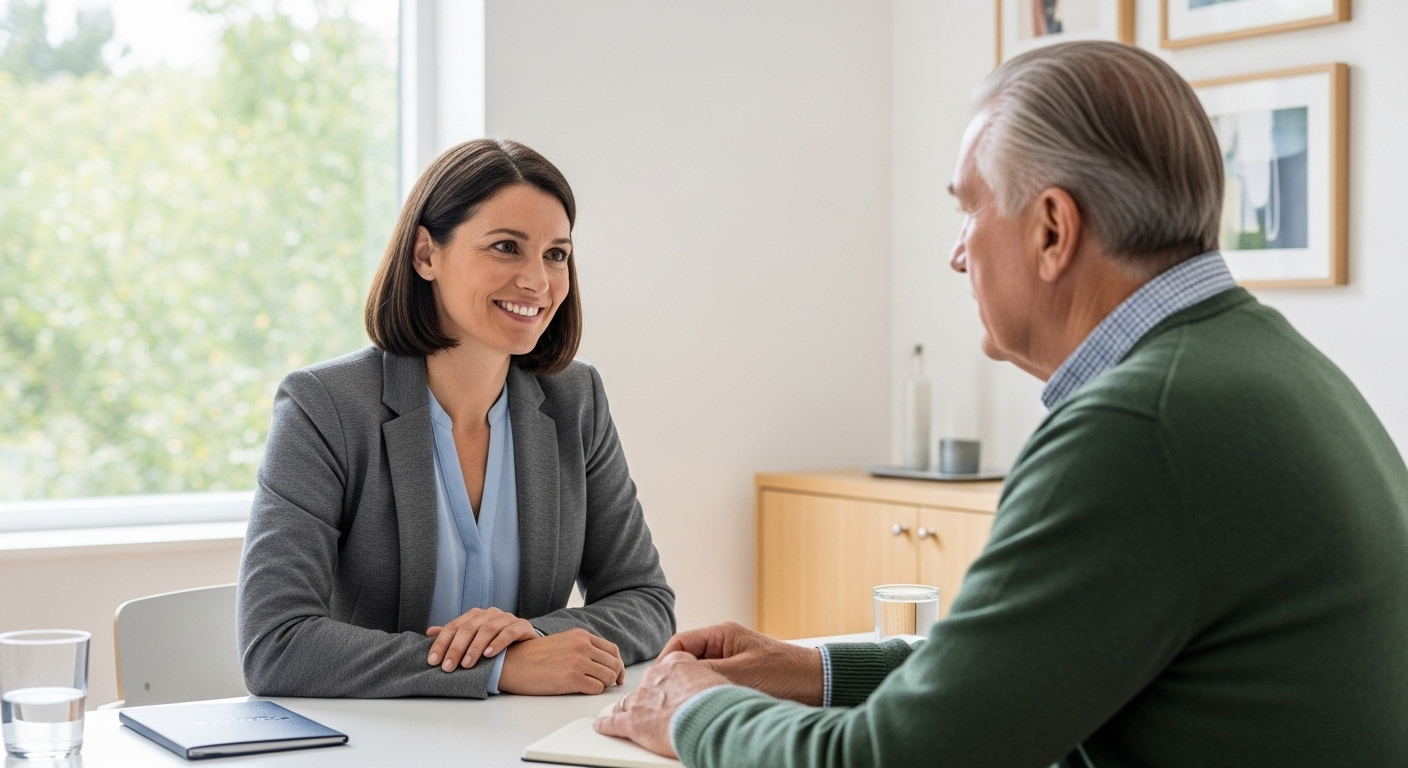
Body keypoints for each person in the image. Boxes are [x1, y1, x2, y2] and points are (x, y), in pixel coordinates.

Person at [597, 41, 1408, 766]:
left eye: (967, 209)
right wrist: (813, 669)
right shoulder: (1268, 368)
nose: (956, 254)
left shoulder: (1137, 427)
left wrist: (695, 710)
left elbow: (898, 761)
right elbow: (1038, 670)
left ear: (1053, 229)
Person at [236, 139, 675, 699]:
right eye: (505, 247)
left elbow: (646, 600)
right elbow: (276, 646)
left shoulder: (575, 399)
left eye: (556, 254)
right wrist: (494, 668)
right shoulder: (324, 406)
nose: (538, 282)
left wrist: (536, 637)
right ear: (426, 255)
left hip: (522, 742)